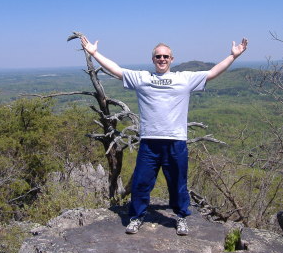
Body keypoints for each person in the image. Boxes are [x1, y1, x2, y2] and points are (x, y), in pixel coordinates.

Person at [80, 35, 248, 236]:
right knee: (141, 182)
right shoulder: (143, 79)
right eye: (158, 56)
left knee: (178, 183)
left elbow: (212, 73)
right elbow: (117, 70)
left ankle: (181, 217)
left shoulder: (184, 79)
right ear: (153, 60)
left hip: (175, 141)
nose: (162, 59)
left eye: (165, 56)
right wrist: (95, 53)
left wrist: (233, 56)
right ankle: (136, 217)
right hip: (150, 142)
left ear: (172, 59)